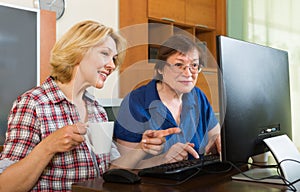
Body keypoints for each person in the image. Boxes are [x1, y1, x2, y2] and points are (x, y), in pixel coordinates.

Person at [0, 20, 180, 192]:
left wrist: (143, 148)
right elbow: (6, 186)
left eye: (114, 58)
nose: (112, 65)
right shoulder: (33, 104)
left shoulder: (97, 109)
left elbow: (112, 169)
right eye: (104, 54)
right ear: (78, 51)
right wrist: (48, 147)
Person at [114, 34, 221, 168]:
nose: (188, 74)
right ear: (160, 68)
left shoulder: (197, 96)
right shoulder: (135, 102)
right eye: (178, 65)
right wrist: (163, 159)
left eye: (194, 65)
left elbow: (215, 134)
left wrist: (216, 141)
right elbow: (123, 168)